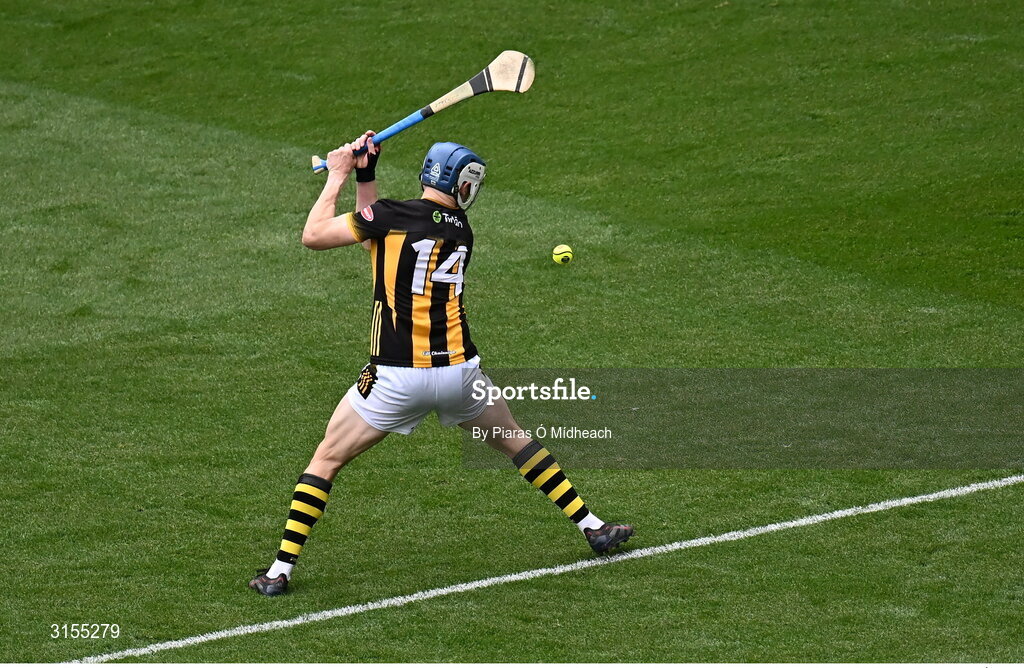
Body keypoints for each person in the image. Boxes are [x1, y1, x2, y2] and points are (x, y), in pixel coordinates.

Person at [249, 131, 633, 596]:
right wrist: (366, 173)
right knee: (515, 442)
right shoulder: (459, 230)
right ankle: (591, 526)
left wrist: (338, 175)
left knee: (326, 460)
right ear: (458, 183)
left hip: (396, 378)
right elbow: (376, 236)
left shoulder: (391, 215)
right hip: (458, 373)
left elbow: (315, 236)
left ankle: (279, 572)